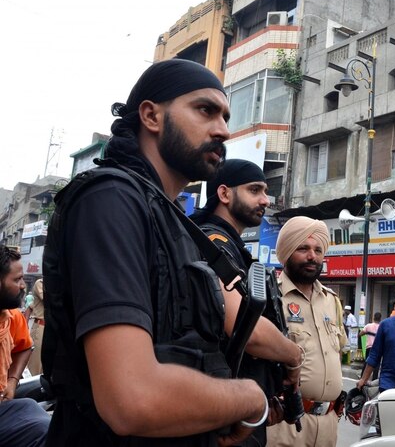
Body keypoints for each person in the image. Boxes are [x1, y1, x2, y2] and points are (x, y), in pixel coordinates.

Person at [41, 59, 268, 446]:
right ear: (151, 116)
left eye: (225, 116)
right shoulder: (111, 199)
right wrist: (248, 397)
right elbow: (131, 398)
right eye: (205, 110)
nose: (223, 130)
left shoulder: (173, 219)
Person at [191, 158, 304, 446]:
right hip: (218, 412)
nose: (265, 200)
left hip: (237, 408)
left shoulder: (231, 247)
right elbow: (245, 327)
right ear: (225, 193)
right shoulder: (212, 242)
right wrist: (293, 356)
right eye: (254, 190)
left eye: (265, 191)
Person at [266, 216, 347, 447]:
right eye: (303, 248)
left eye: (318, 249)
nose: (312, 256)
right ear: (287, 252)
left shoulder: (331, 301)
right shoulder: (272, 297)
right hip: (286, 424)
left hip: (328, 424)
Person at [0, 246, 50, 446]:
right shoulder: (41, 284)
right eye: (17, 279)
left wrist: (12, 381)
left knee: (35, 411)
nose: (22, 286)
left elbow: (24, 347)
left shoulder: (12, 317)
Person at [26, 278, 44, 376]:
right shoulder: (40, 283)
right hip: (41, 327)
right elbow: (51, 300)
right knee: (36, 366)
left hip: (55, 328)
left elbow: (31, 306)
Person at [359, 311, 382, 380]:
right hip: (378, 348)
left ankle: (362, 377)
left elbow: (360, 334)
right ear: (380, 319)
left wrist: (367, 333)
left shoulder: (368, 326)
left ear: (373, 317)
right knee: (377, 364)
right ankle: (374, 379)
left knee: (367, 362)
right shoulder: (381, 327)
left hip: (369, 347)